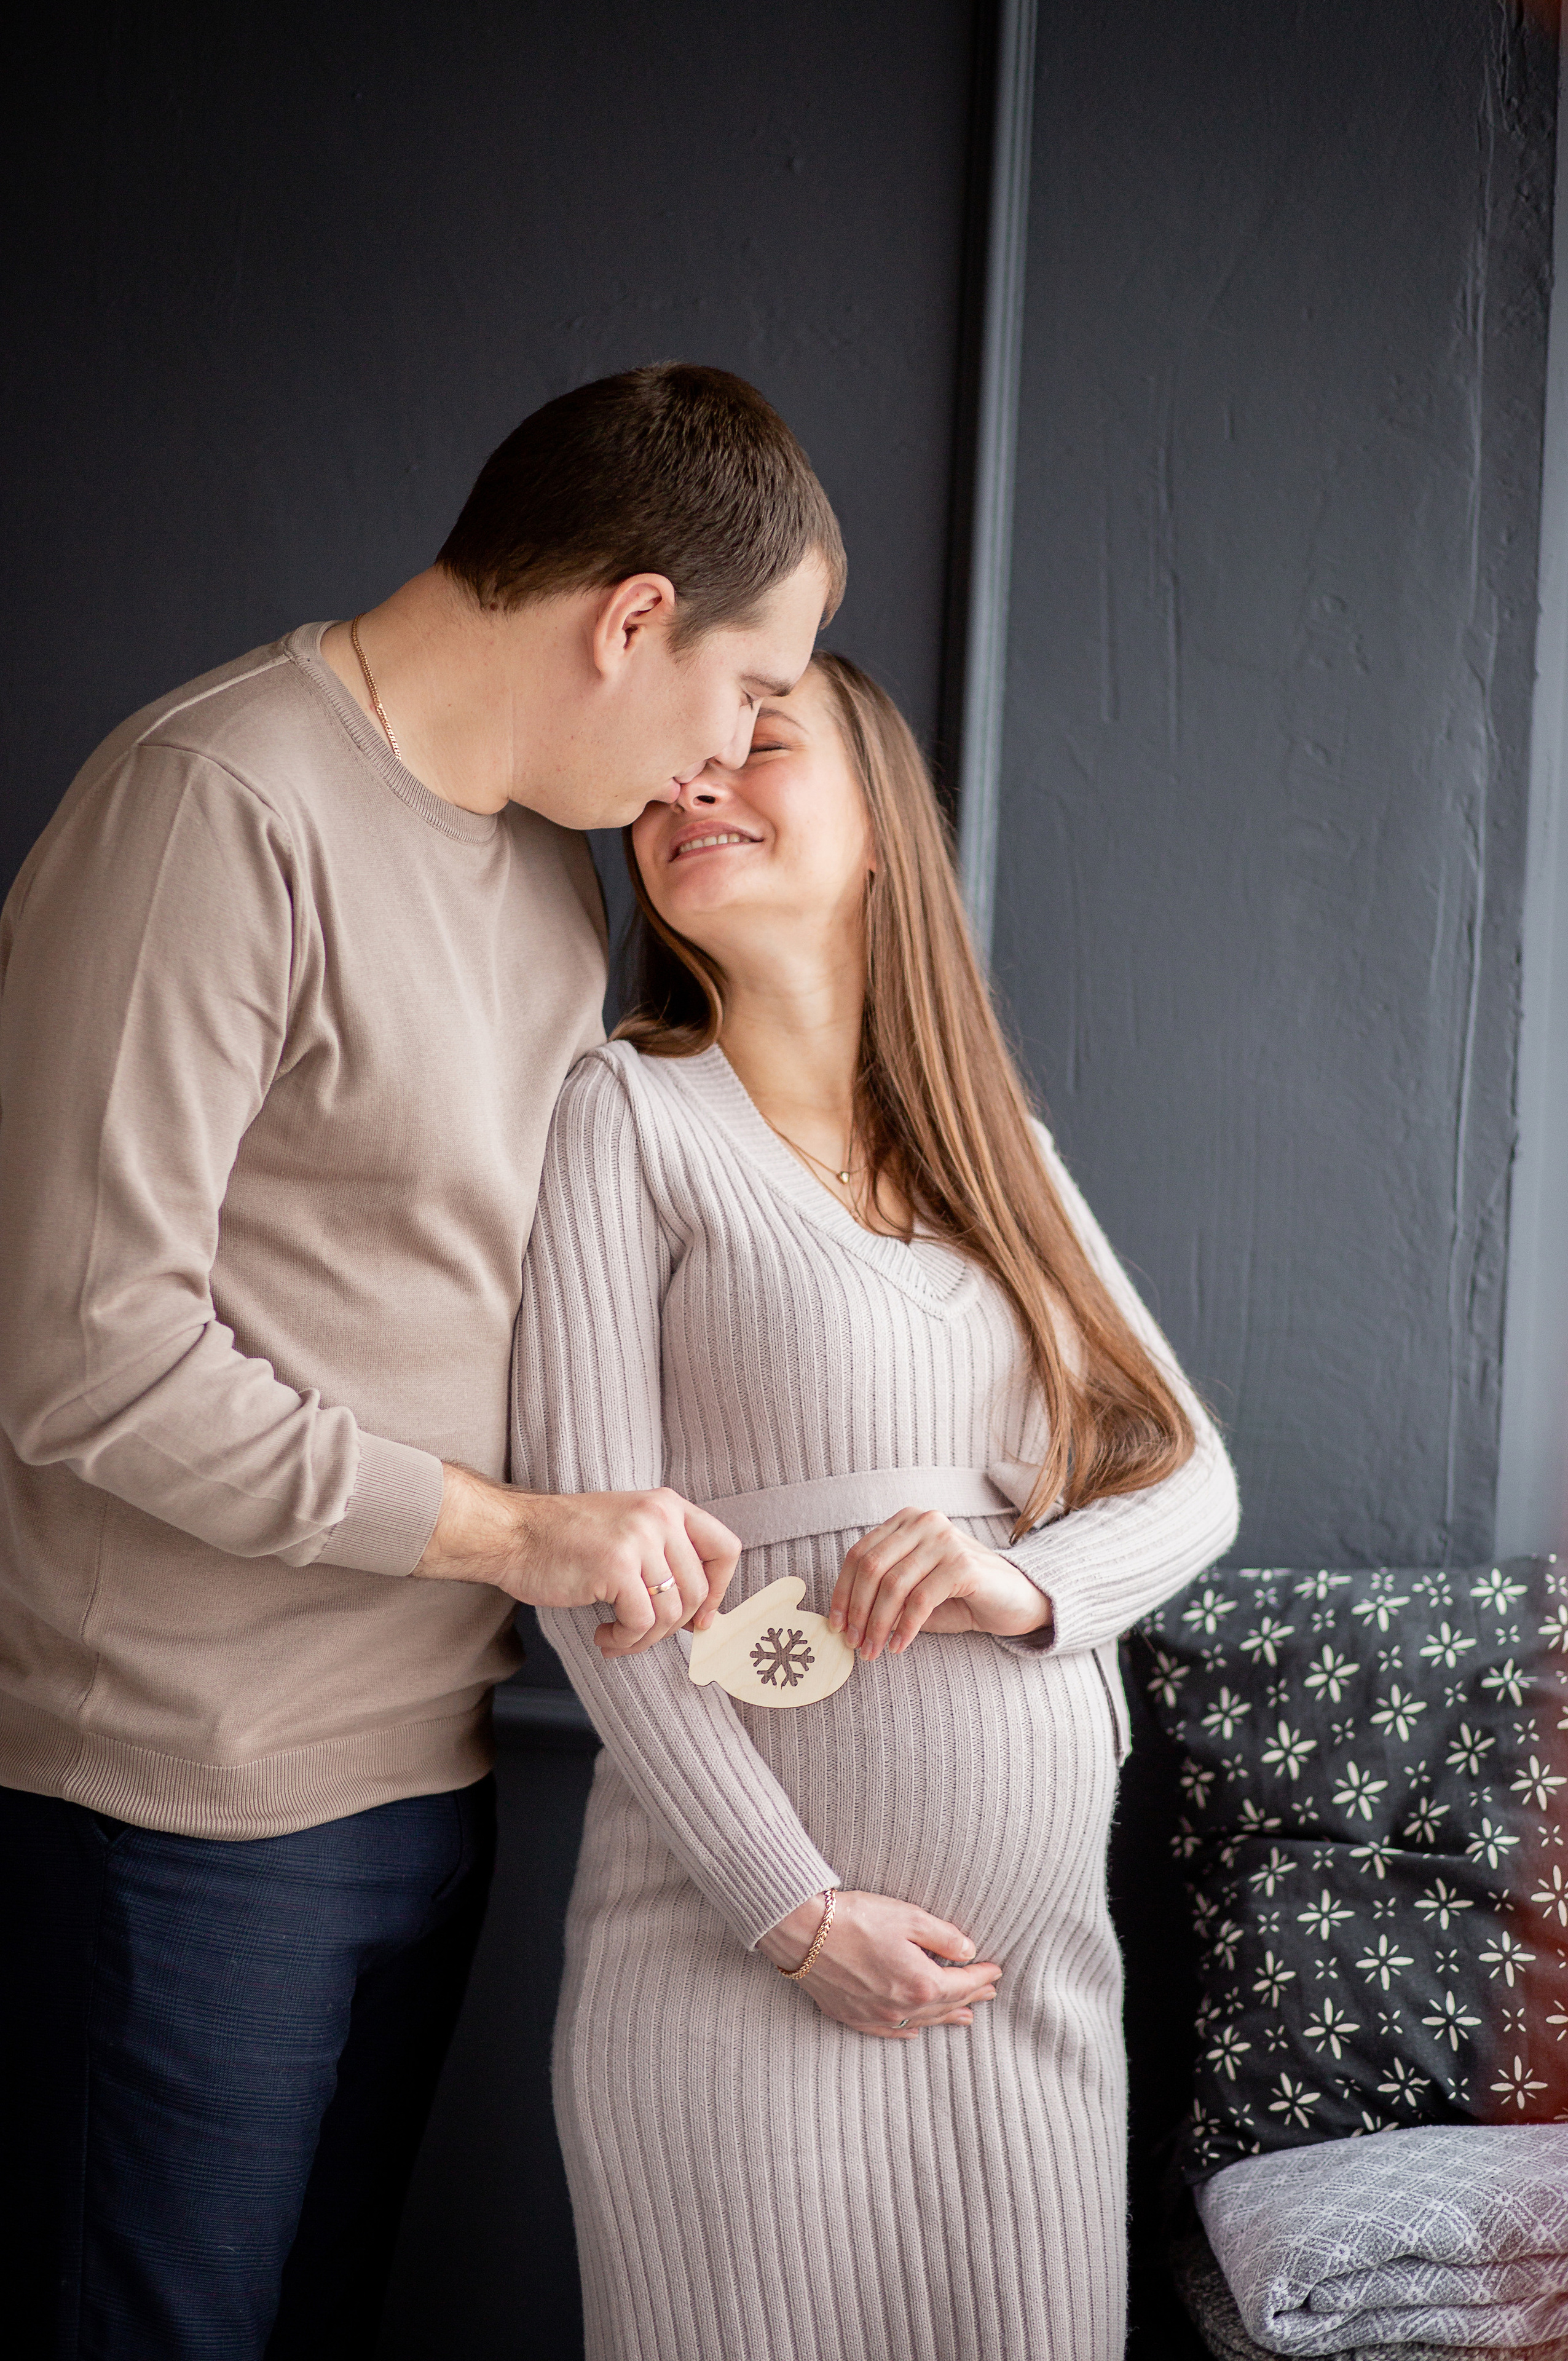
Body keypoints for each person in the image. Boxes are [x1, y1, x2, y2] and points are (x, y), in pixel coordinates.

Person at [0, 363, 843, 2359]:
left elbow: (503, 1325)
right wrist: (511, 1536)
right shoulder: (216, 803)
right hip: (186, 1807)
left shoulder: (542, 870)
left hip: (424, 1767)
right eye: (751, 686)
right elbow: (83, 1359)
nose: (725, 754)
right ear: (632, 620)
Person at [514, 651, 1241, 2361]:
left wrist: (1032, 1587)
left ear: (881, 833)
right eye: (666, 781)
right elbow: (590, 1583)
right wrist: (793, 1915)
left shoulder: (1002, 1160)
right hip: (731, 1965)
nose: (691, 791)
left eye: (753, 750)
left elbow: (1194, 1478)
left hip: (1028, 1993)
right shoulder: (630, 1118)